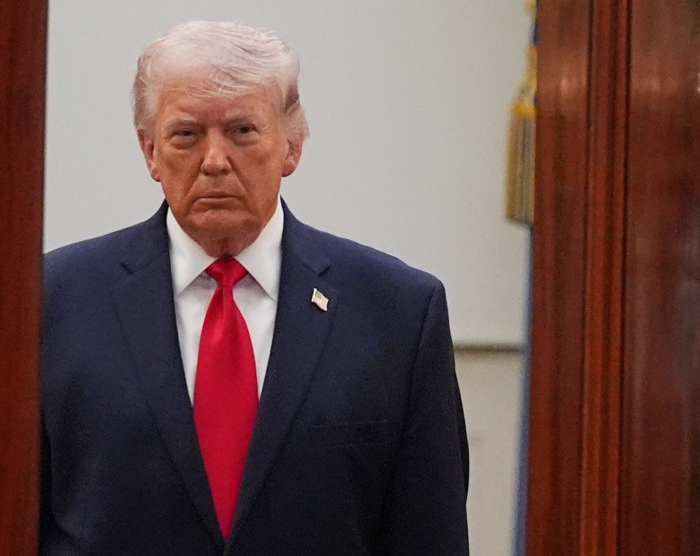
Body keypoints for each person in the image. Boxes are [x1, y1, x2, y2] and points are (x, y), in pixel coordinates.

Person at [42, 21, 469, 555]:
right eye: (186, 134)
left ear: (292, 146)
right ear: (150, 151)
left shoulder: (400, 314)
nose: (215, 160)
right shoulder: (53, 303)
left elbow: (430, 533)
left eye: (243, 131)